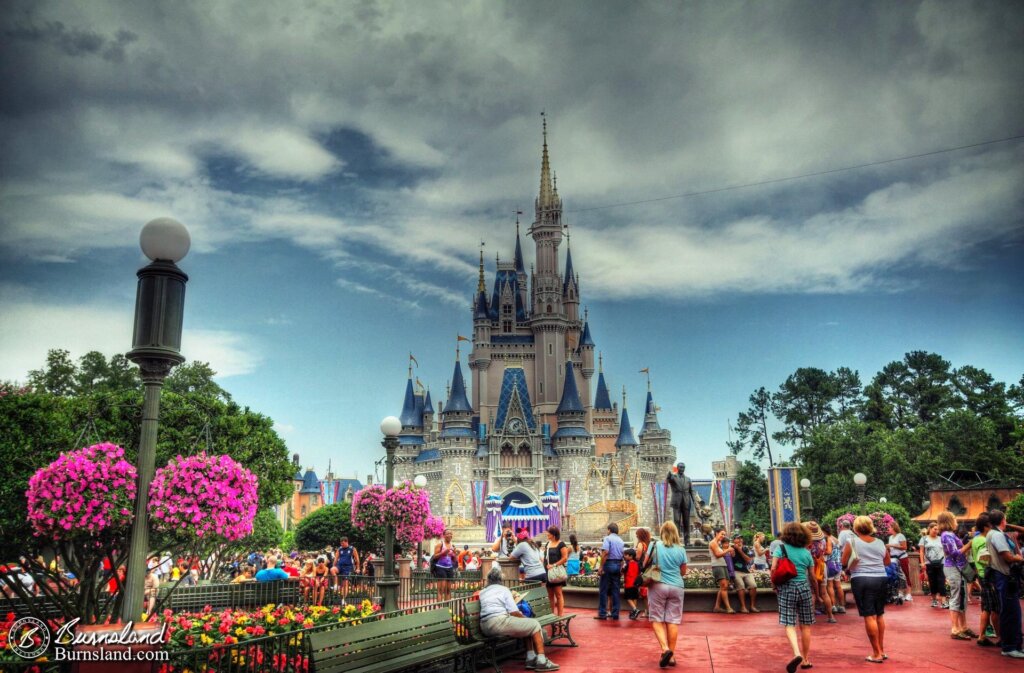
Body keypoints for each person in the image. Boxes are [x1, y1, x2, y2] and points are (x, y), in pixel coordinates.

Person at [478, 566, 559, 671]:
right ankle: (542, 660)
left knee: (526, 624)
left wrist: (523, 619)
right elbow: (514, 612)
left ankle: (531, 658)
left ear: (489, 580)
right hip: (498, 623)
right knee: (533, 624)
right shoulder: (504, 590)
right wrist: (525, 618)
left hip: (485, 626)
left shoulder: (483, 592)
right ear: (500, 580)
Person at [842, 515, 890, 663]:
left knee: (869, 615)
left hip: (861, 579)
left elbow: (844, 562)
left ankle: (876, 653)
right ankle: (881, 649)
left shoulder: (852, 542)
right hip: (881, 578)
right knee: (879, 614)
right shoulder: (880, 542)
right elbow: (887, 562)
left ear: (855, 528)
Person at [772, 522, 816, 673]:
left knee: (789, 622)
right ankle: (805, 659)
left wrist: (774, 584)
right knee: (805, 625)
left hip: (786, 588)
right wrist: (816, 592)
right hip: (804, 588)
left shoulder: (780, 549)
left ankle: (796, 653)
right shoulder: (806, 553)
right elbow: (812, 576)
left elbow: (773, 568)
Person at [647, 521, 689, 668]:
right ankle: (671, 656)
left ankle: (665, 649)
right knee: (673, 621)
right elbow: (683, 572)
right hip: (677, 586)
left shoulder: (655, 545)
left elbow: (646, 563)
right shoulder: (681, 549)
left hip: (658, 584)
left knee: (656, 618)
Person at [986, 509, 1024, 658]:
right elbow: (1007, 556)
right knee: (1011, 613)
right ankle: (1009, 647)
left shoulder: (993, 533)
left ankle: (1013, 645)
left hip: (1003, 577)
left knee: (1012, 612)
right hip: (1005, 576)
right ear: (1002, 520)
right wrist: (1018, 558)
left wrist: (1007, 524)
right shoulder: (997, 535)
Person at [937, 511, 974, 640]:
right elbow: (954, 553)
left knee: (961, 596)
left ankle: (963, 627)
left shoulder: (949, 535)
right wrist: (969, 544)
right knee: (956, 596)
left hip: (957, 567)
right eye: (954, 519)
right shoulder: (946, 535)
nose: (956, 522)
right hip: (953, 567)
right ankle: (955, 628)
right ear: (949, 521)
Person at [971, 513, 999, 647]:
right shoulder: (983, 540)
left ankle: (982, 636)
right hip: (988, 575)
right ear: (986, 526)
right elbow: (984, 558)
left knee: (987, 607)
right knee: (993, 607)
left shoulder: (976, 539)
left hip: (982, 575)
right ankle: (999, 636)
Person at [806, 522, 835, 623]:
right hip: (822, 566)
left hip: (811, 567)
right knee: (824, 592)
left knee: (812, 593)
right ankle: (831, 616)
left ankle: (811, 617)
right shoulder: (823, 540)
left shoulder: (807, 543)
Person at [596, 522, 625, 620]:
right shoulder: (621, 540)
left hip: (608, 564)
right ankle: (615, 613)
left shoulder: (607, 539)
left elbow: (605, 552)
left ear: (609, 530)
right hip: (617, 564)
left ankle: (602, 613)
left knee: (603, 590)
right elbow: (622, 555)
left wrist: (600, 567)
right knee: (616, 590)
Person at [918, 523, 946, 608]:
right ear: (929, 529)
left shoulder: (941, 539)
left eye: (938, 530)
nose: (936, 531)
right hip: (929, 563)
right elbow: (922, 551)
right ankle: (934, 600)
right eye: (935, 529)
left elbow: (944, 550)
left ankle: (944, 601)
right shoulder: (924, 539)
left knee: (941, 581)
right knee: (932, 581)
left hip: (941, 562)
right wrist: (922, 562)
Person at [543, 526, 569, 616]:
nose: (547, 534)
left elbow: (565, 558)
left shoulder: (561, 544)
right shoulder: (547, 544)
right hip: (548, 572)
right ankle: (551, 614)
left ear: (553, 534)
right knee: (550, 595)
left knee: (558, 594)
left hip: (556, 572)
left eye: (548, 533)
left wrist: (554, 565)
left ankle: (560, 615)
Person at [821, 523, 846, 615]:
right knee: (838, 585)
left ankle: (833, 606)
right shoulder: (836, 539)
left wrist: (821, 551)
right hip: (838, 563)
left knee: (830, 586)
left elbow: (829, 551)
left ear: (823, 531)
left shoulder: (827, 539)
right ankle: (842, 606)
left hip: (830, 564)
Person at [708, 528, 734, 613]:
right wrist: (728, 550)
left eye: (724, 535)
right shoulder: (712, 543)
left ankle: (717, 607)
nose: (723, 536)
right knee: (724, 587)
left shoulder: (718, 543)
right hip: (717, 566)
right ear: (716, 533)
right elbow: (717, 555)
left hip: (723, 565)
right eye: (722, 534)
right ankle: (728, 608)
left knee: (723, 587)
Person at [731, 535, 759, 613]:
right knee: (741, 586)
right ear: (734, 540)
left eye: (741, 538)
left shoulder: (745, 548)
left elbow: (748, 560)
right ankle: (743, 607)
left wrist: (739, 550)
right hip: (735, 571)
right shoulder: (730, 548)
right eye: (737, 538)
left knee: (753, 586)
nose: (740, 540)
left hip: (746, 571)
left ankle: (752, 606)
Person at [887, 522, 911, 602]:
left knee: (905, 574)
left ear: (893, 527)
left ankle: (909, 593)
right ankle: (900, 592)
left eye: (889, 527)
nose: (888, 529)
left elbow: (904, 547)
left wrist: (892, 545)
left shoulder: (900, 536)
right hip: (894, 558)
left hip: (902, 557)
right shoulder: (890, 537)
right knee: (897, 575)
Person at [432, 529, 459, 601]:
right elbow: (435, 556)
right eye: (447, 533)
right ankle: (439, 609)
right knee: (441, 590)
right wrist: (443, 552)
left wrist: (454, 554)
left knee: (448, 590)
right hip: (440, 567)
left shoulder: (452, 546)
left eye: (451, 533)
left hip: (449, 568)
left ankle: (447, 608)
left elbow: (454, 560)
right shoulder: (440, 544)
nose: (449, 535)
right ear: (444, 535)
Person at [622, 548, 642, 620]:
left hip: (629, 583)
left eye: (626, 555)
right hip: (636, 583)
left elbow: (623, 571)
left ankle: (635, 609)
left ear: (631, 556)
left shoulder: (627, 564)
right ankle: (634, 612)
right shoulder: (638, 564)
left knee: (628, 597)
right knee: (634, 597)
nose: (625, 556)